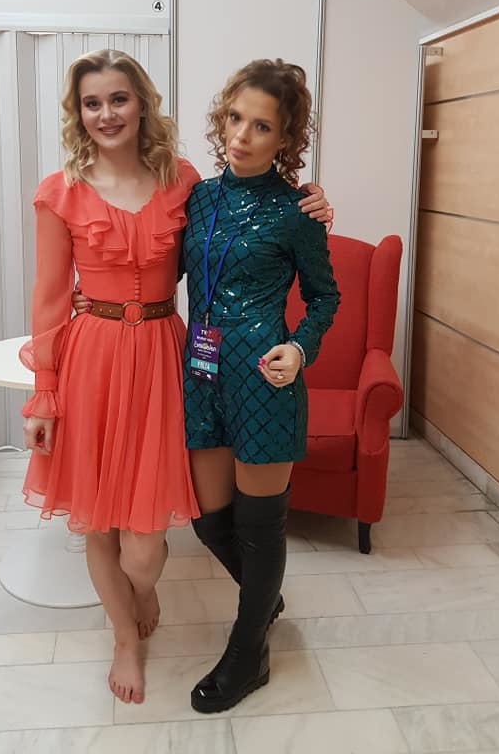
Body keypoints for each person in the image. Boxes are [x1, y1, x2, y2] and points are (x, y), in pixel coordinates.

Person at [20, 49, 332, 707]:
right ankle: (129, 636)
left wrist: (314, 204)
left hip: (183, 361)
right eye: (92, 102)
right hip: (113, 362)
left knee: (160, 542)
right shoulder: (74, 192)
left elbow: (279, 266)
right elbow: (50, 296)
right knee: (115, 519)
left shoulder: (184, 184)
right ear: (78, 113)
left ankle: (215, 614)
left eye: (119, 99)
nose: (107, 113)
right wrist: (46, 389)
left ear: (142, 104)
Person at [183, 59, 340, 714]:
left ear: (286, 138)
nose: (241, 136)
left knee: (259, 526)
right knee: (206, 520)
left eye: (262, 126)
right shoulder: (196, 198)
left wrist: (299, 349)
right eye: (235, 118)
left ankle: (248, 654)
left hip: (264, 380)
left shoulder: (298, 211)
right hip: (201, 374)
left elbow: (325, 297)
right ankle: (263, 599)